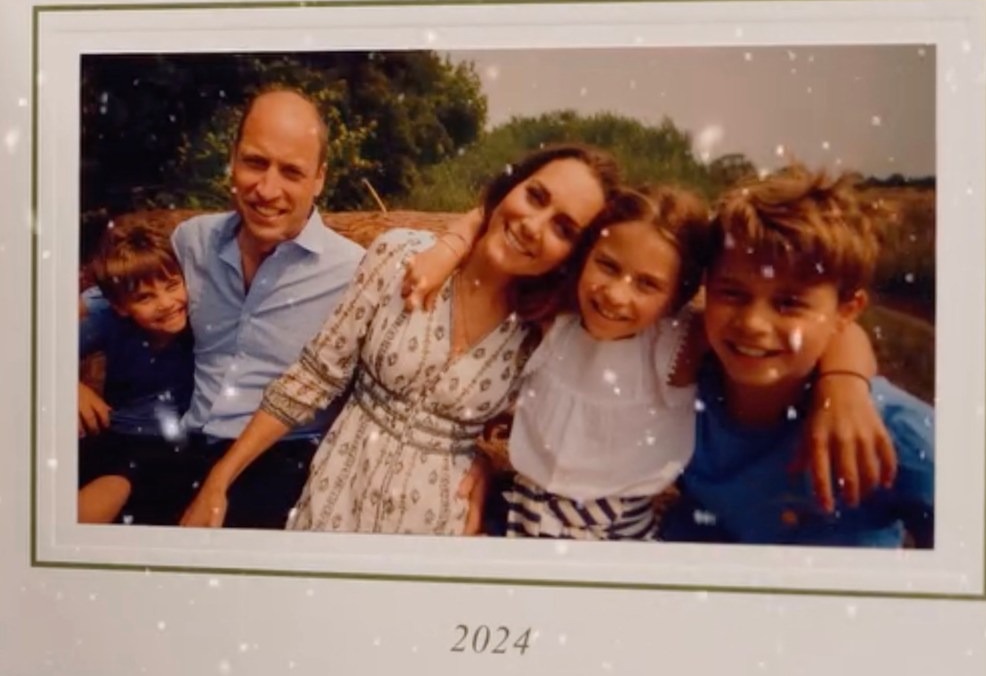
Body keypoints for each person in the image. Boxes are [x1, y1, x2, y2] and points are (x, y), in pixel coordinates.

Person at [403, 182, 893, 541]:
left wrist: (844, 384)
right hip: (522, 516)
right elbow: (498, 219)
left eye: (647, 284)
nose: (616, 295)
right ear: (584, 255)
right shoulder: (557, 317)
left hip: (614, 535)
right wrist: (449, 247)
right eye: (608, 266)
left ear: (680, 293)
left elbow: (823, 324)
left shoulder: (680, 340)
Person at [180, 143, 621, 534]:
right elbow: (314, 377)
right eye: (535, 196)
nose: (533, 225)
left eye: (563, 228)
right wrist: (220, 479)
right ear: (511, 186)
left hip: (438, 528)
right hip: (337, 501)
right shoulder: (400, 255)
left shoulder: (542, 332)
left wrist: (484, 463)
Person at [659, 164, 934, 547]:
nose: (753, 323)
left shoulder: (890, 434)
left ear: (846, 312)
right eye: (732, 293)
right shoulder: (683, 385)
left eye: (789, 304)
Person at [158, 86, 365, 528]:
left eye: (291, 172)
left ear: (319, 179)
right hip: (184, 446)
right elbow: (110, 299)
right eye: (255, 162)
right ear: (232, 159)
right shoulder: (192, 242)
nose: (267, 189)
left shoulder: (355, 273)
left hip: (285, 461)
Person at [77, 225, 194, 524]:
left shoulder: (203, 312)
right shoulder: (107, 316)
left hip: (184, 442)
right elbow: (35, 348)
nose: (166, 303)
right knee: (112, 479)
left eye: (172, 286)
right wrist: (70, 386)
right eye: (145, 298)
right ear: (120, 306)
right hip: (119, 433)